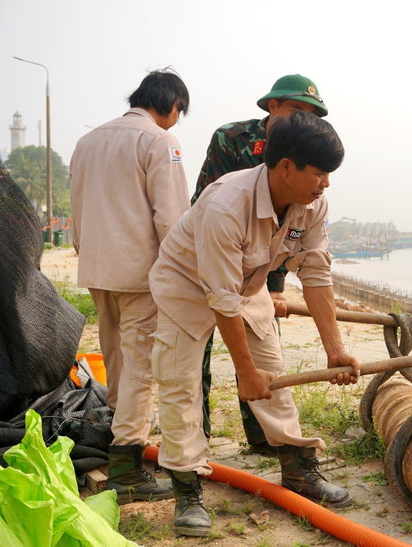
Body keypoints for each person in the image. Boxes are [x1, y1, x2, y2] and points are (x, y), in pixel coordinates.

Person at [149, 111, 360, 536]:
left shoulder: (312, 204)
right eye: (319, 173)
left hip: (247, 283)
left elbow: (316, 274)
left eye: (329, 174)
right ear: (286, 168)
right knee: (180, 383)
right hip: (186, 285)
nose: (326, 184)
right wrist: (244, 372)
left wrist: (335, 349)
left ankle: (298, 471)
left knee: (272, 373)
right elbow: (220, 298)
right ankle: (187, 487)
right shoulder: (226, 204)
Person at [69, 69, 190, 504]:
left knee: (116, 357)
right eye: (178, 113)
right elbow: (172, 219)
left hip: (97, 268)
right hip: (141, 274)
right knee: (140, 367)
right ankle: (126, 467)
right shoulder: (160, 141)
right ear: (171, 105)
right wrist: (182, 275)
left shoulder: (87, 141)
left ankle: (120, 439)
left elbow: (76, 210)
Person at [193, 74, 328, 455]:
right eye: (297, 109)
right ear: (273, 106)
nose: (304, 119)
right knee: (193, 358)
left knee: (265, 357)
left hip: (259, 268)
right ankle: (197, 438)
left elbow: (291, 230)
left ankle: (264, 439)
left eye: (312, 114)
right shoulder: (232, 140)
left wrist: (275, 286)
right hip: (213, 255)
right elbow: (211, 209)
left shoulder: (310, 157)